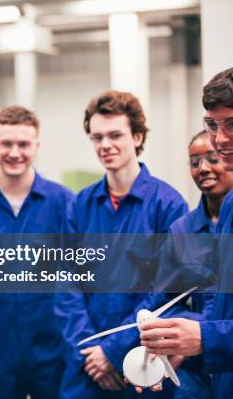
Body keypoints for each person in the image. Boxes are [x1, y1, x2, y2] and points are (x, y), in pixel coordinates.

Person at [57, 90, 188, 398]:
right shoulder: (80, 206)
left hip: (142, 362)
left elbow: (166, 292)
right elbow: (65, 284)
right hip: (85, 367)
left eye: (115, 135)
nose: (105, 145)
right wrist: (91, 352)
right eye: (97, 137)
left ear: (138, 137)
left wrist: (114, 352)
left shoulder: (168, 206)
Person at [0, 105, 73, 399]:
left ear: (37, 146)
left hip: (52, 346)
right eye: (7, 143)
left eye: (23, 144)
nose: (15, 152)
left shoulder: (64, 203)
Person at [140, 67, 233, 399]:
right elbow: (216, 301)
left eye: (231, 124)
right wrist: (175, 344)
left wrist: (208, 338)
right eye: (212, 125)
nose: (221, 139)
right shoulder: (226, 210)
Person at [165, 131, 232, 398]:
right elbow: (166, 301)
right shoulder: (181, 230)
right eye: (194, 162)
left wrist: (204, 330)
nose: (203, 168)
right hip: (193, 367)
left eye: (211, 159)